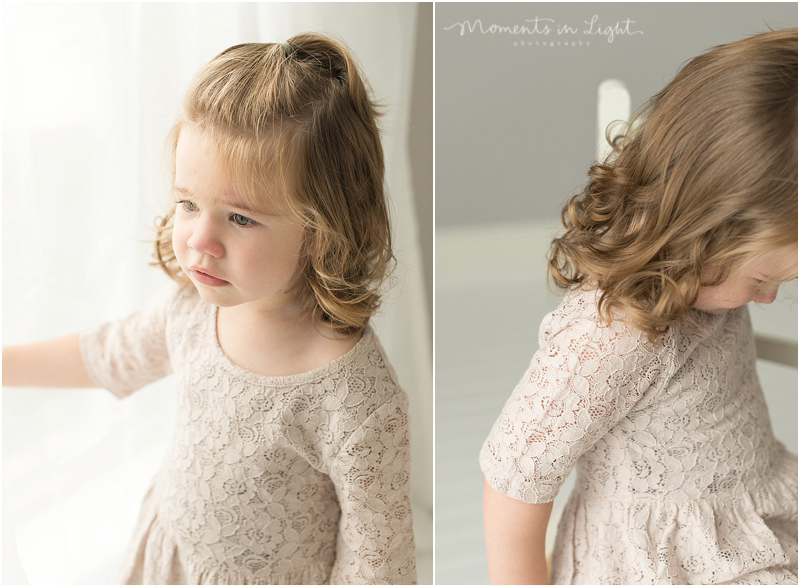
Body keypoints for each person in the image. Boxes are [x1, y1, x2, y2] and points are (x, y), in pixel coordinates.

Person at [3, 33, 416, 585]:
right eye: (188, 204)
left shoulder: (357, 401)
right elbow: (108, 355)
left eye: (240, 218)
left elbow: (377, 566)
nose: (200, 240)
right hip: (169, 560)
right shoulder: (192, 309)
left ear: (325, 228)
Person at [481, 28, 797, 585]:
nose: (768, 298)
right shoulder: (613, 336)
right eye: (761, 279)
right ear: (703, 230)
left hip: (751, 514)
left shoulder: (701, 267)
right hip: (655, 562)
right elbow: (514, 477)